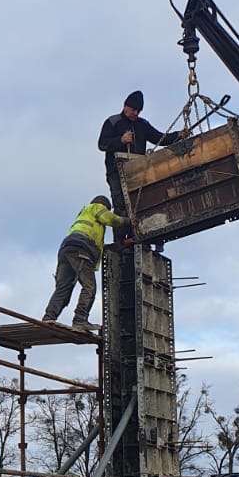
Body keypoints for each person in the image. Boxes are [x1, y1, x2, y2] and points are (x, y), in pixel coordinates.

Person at [42, 195, 126, 332]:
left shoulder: (85, 222)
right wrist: (127, 221)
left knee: (62, 288)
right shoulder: (95, 207)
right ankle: (80, 320)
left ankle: (48, 317)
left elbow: (99, 247)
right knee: (89, 287)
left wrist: (122, 244)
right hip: (81, 249)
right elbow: (111, 219)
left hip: (67, 249)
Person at [96, 90, 176, 225]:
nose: (136, 113)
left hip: (137, 170)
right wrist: (120, 140)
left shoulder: (142, 124)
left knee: (140, 204)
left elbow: (160, 138)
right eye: (134, 110)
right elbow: (102, 144)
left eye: (138, 111)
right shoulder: (113, 122)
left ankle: (137, 234)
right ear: (125, 106)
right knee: (120, 205)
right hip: (116, 172)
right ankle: (121, 242)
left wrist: (178, 135)